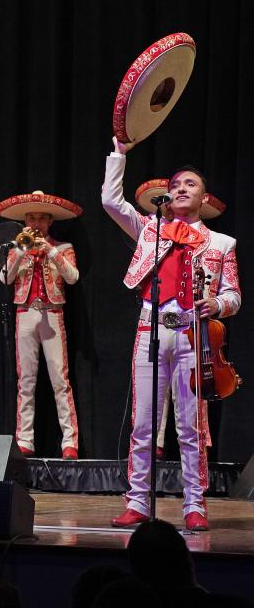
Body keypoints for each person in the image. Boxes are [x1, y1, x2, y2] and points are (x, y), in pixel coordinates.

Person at [103, 137, 240, 531]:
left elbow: (233, 294)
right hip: (151, 330)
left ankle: (195, 504)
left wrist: (217, 305)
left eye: (190, 184)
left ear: (204, 197)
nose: (180, 189)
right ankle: (138, 502)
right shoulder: (151, 230)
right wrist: (119, 156)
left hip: (193, 337)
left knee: (191, 425)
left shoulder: (221, 243)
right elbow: (112, 203)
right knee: (144, 423)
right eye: (176, 184)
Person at [0, 193, 81, 458]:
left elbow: (73, 277)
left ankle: (70, 441)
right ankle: (25, 439)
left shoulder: (64, 247)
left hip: (53, 313)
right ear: (24, 221)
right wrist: (22, 251)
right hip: (25, 313)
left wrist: (50, 250)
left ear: (50, 221)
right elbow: (5, 279)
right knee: (26, 381)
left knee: (60, 380)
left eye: (42, 218)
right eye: (32, 218)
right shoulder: (16, 248)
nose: (37, 222)